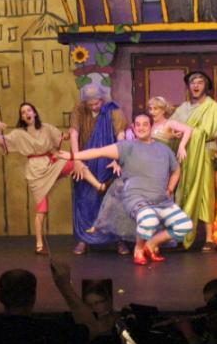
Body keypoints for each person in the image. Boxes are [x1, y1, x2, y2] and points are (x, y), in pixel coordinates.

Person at [58, 110, 193, 265]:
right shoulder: (127, 147)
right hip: (136, 198)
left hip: (160, 199)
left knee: (184, 225)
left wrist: (169, 189)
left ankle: (151, 244)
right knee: (149, 219)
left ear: (151, 126)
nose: (141, 127)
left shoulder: (164, 149)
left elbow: (176, 170)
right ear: (133, 128)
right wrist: (73, 156)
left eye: (145, 124)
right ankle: (139, 249)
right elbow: (97, 152)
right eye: (138, 125)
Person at [0, 102, 106, 254]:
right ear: (22, 117)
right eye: (23, 112)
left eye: (29, 110)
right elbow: (2, 142)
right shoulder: (19, 134)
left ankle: (100, 186)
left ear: (34, 113)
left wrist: (73, 131)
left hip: (51, 164)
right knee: (41, 210)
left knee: (75, 163)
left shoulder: (46, 128)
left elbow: (63, 137)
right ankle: (39, 245)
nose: (26, 113)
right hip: (36, 172)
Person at [86, 96, 193, 253]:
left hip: (159, 170)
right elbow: (128, 147)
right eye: (150, 109)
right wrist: (117, 161)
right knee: (119, 190)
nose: (153, 111)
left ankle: (152, 244)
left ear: (163, 109)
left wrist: (182, 145)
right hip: (143, 169)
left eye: (156, 108)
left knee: (158, 208)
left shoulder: (169, 124)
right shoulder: (148, 125)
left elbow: (188, 129)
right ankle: (104, 226)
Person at [0, 263, 90, 344]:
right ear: (33, 297)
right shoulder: (53, 333)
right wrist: (65, 286)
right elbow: (91, 329)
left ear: (0, 297)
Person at [70, 85, 130, 255]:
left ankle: (119, 240)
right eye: (90, 104)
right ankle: (83, 239)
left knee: (113, 200)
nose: (94, 107)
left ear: (102, 99)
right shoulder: (79, 109)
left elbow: (121, 135)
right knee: (84, 199)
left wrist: (118, 159)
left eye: (96, 103)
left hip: (108, 161)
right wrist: (76, 159)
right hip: (86, 160)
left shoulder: (113, 110)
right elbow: (74, 134)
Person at [173, 71, 217, 250]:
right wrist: (175, 132)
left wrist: (186, 131)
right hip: (186, 155)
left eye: (200, 82)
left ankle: (209, 238)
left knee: (205, 193)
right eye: (192, 82)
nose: (195, 85)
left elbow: (209, 131)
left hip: (205, 153)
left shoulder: (212, 107)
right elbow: (171, 126)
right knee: (184, 192)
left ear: (206, 86)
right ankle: (182, 235)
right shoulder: (183, 108)